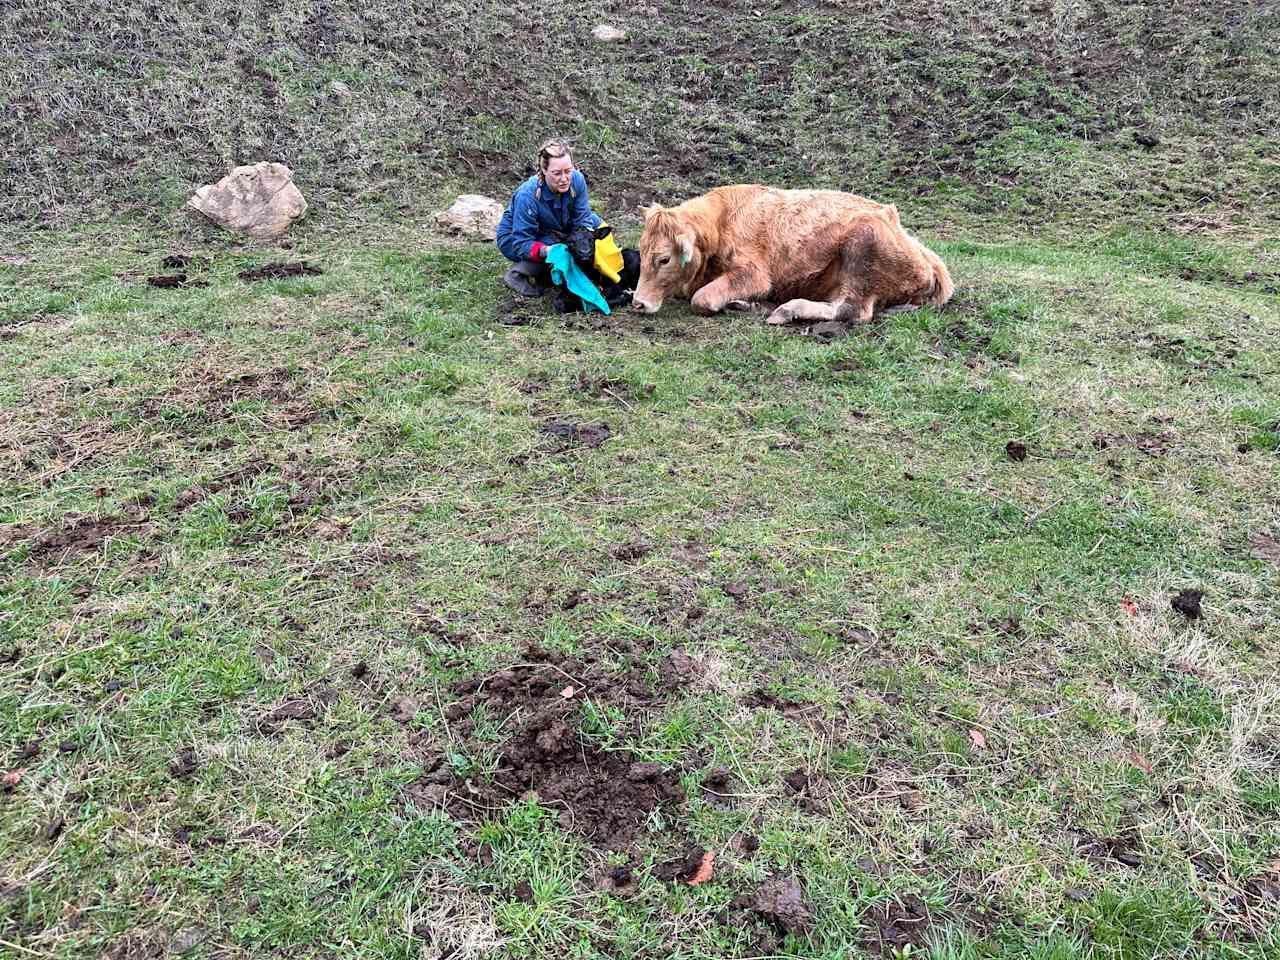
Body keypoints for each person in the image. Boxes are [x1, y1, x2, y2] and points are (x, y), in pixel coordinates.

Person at [495, 138, 603, 298]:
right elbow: (522, 242)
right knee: (559, 249)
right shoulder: (527, 196)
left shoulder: (577, 180)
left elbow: (582, 217)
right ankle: (520, 272)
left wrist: (584, 240)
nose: (564, 178)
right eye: (557, 173)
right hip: (516, 238)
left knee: (597, 226)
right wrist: (548, 251)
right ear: (544, 170)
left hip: (558, 223)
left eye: (568, 171)